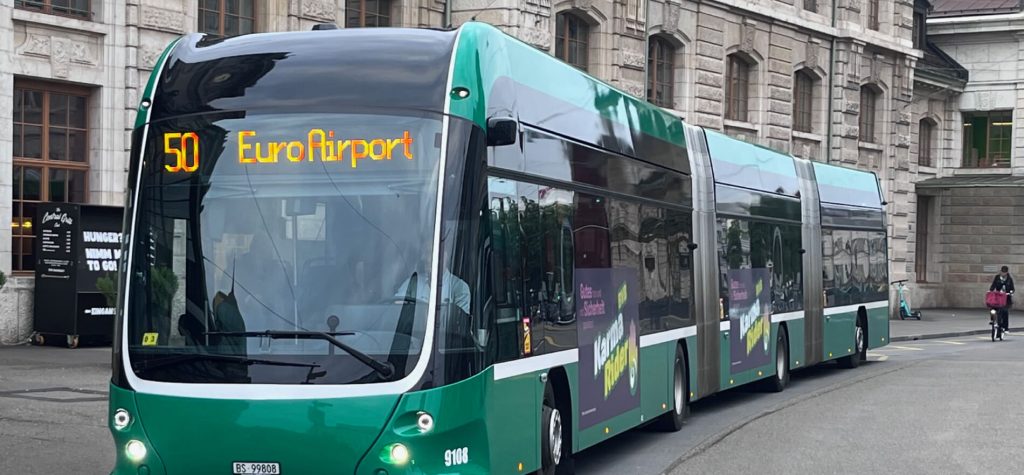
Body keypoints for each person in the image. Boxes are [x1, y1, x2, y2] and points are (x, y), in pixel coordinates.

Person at [990, 266, 1015, 335]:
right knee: (992, 307)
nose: (1003, 273)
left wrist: (1011, 292)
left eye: (1004, 272)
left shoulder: (1009, 279)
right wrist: (991, 291)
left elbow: (1012, 288)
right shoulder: (997, 277)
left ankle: (1006, 328)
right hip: (998, 296)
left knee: (1005, 312)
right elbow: (993, 285)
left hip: (1006, 298)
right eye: (1002, 272)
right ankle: (993, 320)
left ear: (1007, 272)